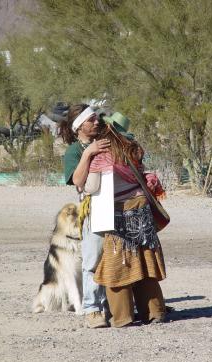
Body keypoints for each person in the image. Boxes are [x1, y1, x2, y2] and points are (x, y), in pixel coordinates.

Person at [84, 122, 167, 328]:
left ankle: (122, 317)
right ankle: (154, 312)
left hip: (118, 212)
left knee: (117, 265)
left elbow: (91, 187)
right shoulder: (134, 150)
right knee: (145, 259)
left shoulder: (101, 157)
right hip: (142, 209)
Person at [59, 104, 111, 328]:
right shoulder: (74, 151)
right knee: (93, 259)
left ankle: (117, 306)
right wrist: (89, 153)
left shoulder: (107, 142)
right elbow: (78, 181)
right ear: (79, 126)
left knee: (118, 257)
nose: (97, 122)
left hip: (116, 207)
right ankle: (92, 308)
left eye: (97, 118)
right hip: (92, 210)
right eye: (91, 120)